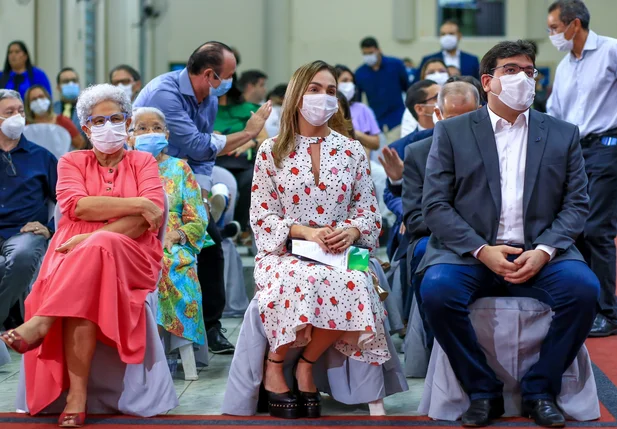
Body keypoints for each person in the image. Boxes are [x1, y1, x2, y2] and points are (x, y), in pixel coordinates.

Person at [418, 40, 599, 427]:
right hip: (472, 253)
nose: (524, 78)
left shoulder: (563, 133)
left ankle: (540, 389)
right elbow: (435, 205)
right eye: (512, 70)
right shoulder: (452, 132)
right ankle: (482, 390)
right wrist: (482, 250)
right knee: (437, 290)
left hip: (541, 251)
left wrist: (546, 250)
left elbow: (577, 205)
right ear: (488, 81)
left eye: (530, 71)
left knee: (584, 291)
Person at [0, 83, 167, 427]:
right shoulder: (70, 161)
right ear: (86, 128)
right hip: (72, 251)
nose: (109, 126)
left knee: (97, 248)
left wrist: (95, 236)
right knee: (88, 272)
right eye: (98, 120)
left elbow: (146, 222)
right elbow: (77, 205)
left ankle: (42, 323)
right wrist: (136, 202)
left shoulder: (143, 161)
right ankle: (75, 395)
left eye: (116, 118)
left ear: (128, 120)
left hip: (131, 253)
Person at [251, 60, 388, 419]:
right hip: (288, 250)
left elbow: (369, 210)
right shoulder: (271, 151)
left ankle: (306, 364)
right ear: (297, 96)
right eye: (314, 89)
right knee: (305, 279)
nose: (323, 97)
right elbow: (261, 216)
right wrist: (306, 232)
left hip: (346, 250)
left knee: (359, 282)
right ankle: (274, 364)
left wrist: (353, 230)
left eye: (330, 91)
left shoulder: (352, 149)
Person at [134, 41, 271, 354]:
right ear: (210, 75)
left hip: (182, 179)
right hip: (143, 178)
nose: (230, 83)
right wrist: (249, 134)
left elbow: (203, 158)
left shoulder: (208, 98)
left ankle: (210, 326)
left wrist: (202, 196)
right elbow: (198, 144)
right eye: (228, 76)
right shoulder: (164, 95)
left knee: (212, 241)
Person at [546, 0, 617, 337]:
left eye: (554, 28)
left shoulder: (610, 51)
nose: (552, 35)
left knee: (597, 229)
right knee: (577, 228)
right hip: (575, 152)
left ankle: (609, 312)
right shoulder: (564, 66)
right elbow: (557, 112)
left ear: (574, 25)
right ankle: (587, 304)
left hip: (607, 147)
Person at [400, 81, 481, 342]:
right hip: (435, 236)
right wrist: (456, 228)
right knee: (424, 252)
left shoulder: (496, 146)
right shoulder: (418, 152)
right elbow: (413, 218)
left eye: (467, 117)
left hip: (488, 236)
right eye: (452, 119)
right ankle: (438, 344)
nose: (459, 126)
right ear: (438, 116)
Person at [130, 107, 213, 351]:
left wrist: (174, 235)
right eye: (142, 128)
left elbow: (198, 218)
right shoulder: (124, 167)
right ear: (129, 136)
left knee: (164, 263)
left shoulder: (180, 169)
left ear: (167, 134)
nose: (150, 133)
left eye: (156, 127)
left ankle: (151, 350)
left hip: (172, 243)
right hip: (131, 239)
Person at [0, 89, 57, 329]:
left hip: (25, 233)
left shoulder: (42, 157)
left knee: (21, 257)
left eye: (21, 111)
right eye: (9, 112)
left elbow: (68, 201)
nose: (18, 116)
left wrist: (49, 228)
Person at [215, 70, 269, 239]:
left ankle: (240, 227)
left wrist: (250, 141)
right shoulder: (203, 108)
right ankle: (217, 225)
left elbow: (264, 138)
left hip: (242, 161)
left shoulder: (248, 108)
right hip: (215, 161)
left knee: (253, 179)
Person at [355, 37, 409, 142]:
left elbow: (407, 88)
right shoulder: (360, 73)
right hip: (375, 122)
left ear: (378, 50)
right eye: (365, 54)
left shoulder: (396, 65)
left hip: (397, 119)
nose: (368, 56)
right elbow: (358, 100)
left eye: (370, 52)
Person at [334, 65, 380, 155]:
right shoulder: (328, 109)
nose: (350, 84)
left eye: (351, 81)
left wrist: (355, 133)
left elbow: (376, 143)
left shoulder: (362, 109)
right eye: (345, 81)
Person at [24, 85, 86, 150]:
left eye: (41, 97)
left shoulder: (62, 121)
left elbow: (81, 143)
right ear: (28, 105)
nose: (38, 101)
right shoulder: (26, 125)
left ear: (47, 99)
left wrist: (68, 158)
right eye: (34, 99)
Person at [401, 59, 448, 138]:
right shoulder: (411, 108)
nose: (437, 75)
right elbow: (407, 137)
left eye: (442, 71)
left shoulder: (455, 101)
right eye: (431, 72)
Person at [54, 67, 82, 133]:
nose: (71, 84)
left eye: (74, 80)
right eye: (66, 81)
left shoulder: (88, 109)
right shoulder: (52, 109)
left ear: (79, 84)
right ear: (58, 87)